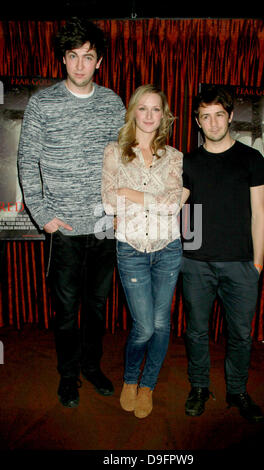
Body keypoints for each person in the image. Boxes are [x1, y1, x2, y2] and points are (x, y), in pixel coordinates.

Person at [18, 17, 126, 408]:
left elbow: (124, 161)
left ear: (99, 62)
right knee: (66, 310)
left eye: (88, 57)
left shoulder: (113, 103)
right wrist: (43, 214)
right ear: (63, 60)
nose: (80, 65)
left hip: (103, 228)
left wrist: (117, 212)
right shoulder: (42, 103)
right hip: (61, 228)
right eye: (73, 57)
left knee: (97, 307)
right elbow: (27, 163)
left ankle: (91, 366)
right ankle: (68, 376)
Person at [181, 85, 264, 422]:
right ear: (197, 121)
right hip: (196, 264)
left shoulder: (251, 159)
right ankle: (200, 387)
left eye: (220, 115)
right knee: (197, 331)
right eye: (206, 116)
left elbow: (259, 214)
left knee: (240, 334)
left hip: (242, 265)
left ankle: (237, 391)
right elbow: (181, 208)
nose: (214, 122)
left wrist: (257, 264)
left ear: (230, 116)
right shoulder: (188, 161)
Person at [102, 84, 183, 418]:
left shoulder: (174, 156)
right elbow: (108, 203)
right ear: (133, 111)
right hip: (131, 249)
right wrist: (153, 199)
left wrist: (130, 193)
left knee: (162, 325)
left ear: (164, 115)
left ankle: (148, 385)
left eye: (156, 109)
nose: (149, 116)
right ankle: (130, 379)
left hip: (168, 248)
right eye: (143, 108)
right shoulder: (114, 152)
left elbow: (173, 205)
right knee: (145, 327)